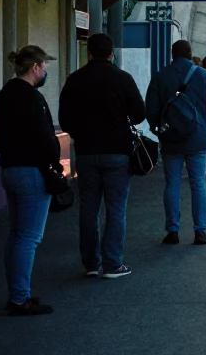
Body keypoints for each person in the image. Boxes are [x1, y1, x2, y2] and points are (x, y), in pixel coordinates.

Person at [59, 33, 146, 279]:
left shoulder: (75, 80)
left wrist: (81, 132)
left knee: (88, 209)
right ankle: (112, 264)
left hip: (86, 153)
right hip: (118, 152)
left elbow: (65, 119)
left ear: (88, 53)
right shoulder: (123, 79)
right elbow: (140, 113)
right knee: (116, 208)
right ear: (111, 54)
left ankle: (90, 264)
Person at [0, 45, 61, 316]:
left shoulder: (3, 95)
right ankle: (20, 298)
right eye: (45, 67)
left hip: (9, 169)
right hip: (32, 172)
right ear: (35, 67)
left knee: (16, 235)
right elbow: (45, 138)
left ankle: (17, 293)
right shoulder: (33, 98)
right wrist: (55, 165)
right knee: (29, 237)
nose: (45, 72)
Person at [145, 40, 206, 245]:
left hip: (171, 140)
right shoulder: (205, 76)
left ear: (172, 55)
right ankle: (200, 231)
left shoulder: (161, 76)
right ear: (190, 55)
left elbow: (151, 110)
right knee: (198, 183)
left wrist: (160, 129)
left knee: (172, 184)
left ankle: (173, 230)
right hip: (197, 139)